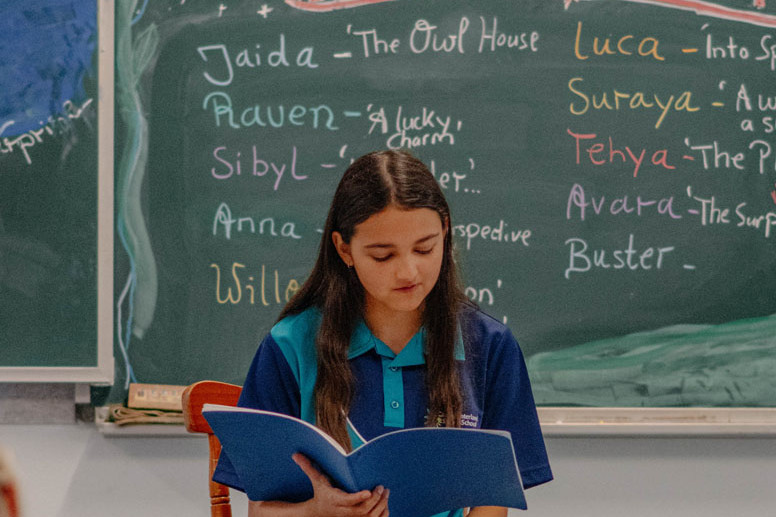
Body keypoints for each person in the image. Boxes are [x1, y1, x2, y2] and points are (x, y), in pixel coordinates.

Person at [213, 150, 553, 516]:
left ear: (446, 231)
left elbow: (492, 504)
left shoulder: (490, 346)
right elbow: (260, 511)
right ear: (345, 249)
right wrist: (315, 511)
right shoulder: (290, 346)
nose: (409, 272)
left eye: (425, 248)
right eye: (382, 256)